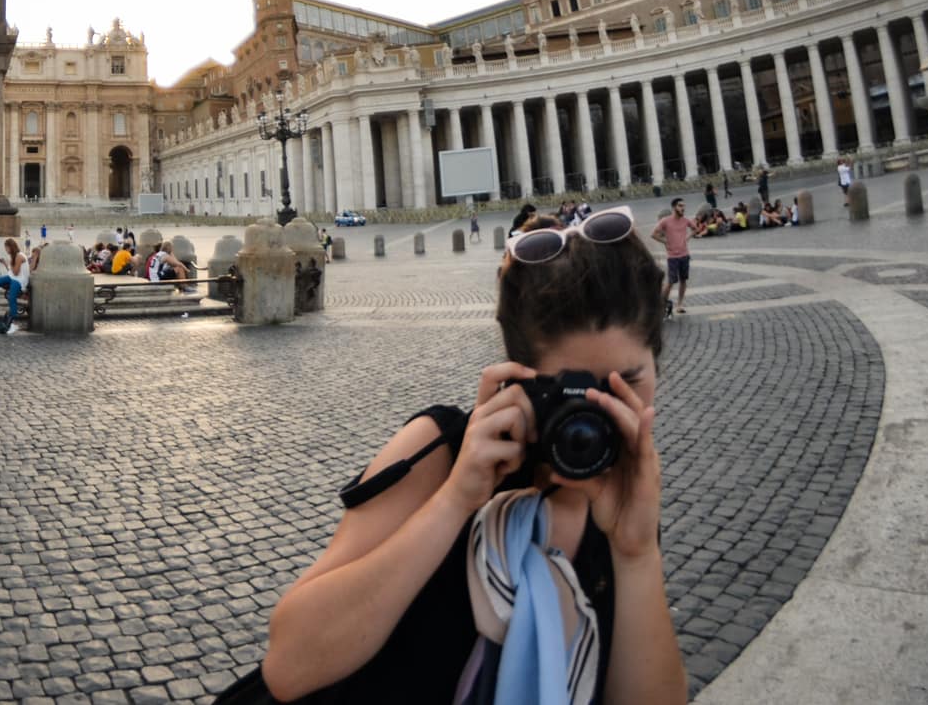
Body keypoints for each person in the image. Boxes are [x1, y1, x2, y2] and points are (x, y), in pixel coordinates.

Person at [255, 207, 684, 702]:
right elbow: (289, 665)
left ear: (657, 363)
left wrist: (636, 556)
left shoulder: (629, 501)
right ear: (519, 377)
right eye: (570, 390)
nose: (594, 419)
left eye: (626, 383)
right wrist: (456, 499)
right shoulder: (440, 454)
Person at [650, 197, 694, 315]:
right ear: (674, 207)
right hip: (673, 257)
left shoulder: (686, 220)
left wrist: (687, 239)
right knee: (670, 282)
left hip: (685, 255)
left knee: (683, 280)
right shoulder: (665, 221)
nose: (683, 208)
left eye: (684, 206)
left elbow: (695, 228)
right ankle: (662, 304)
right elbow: (653, 234)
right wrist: (665, 241)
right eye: (680, 206)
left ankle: (679, 304)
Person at [0, 238, 28, 324]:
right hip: (12, 277)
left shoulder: (19, 256)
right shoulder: (14, 256)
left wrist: (11, 263)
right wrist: (4, 263)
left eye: (6, 248)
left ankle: (13, 323)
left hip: (19, 280)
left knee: (12, 298)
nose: (6, 250)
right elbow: (12, 272)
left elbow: (16, 273)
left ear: (11, 247)